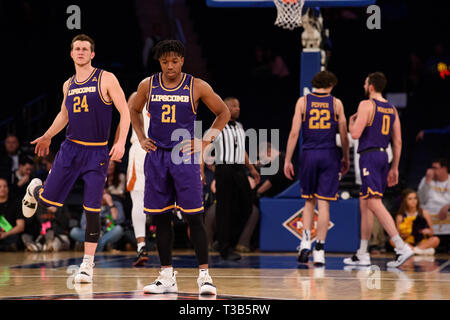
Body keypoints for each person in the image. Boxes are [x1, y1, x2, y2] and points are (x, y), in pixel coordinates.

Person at [21, 34, 130, 283]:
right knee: (49, 203)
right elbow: (63, 114)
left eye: (85, 49)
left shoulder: (106, 78)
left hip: (97, 152)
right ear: (71, 54)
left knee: (92, 208)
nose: (80, 52)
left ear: (92, 54)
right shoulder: (68, 84)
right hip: (70, 149)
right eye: (76, 48)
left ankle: (87, 266)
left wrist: (121, 142)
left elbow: (124, 112)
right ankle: (36, 189)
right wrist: (48, 135)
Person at [130, 40, 230, 295]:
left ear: (182, 60)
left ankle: (205, 277)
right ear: (159, 62)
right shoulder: (147, 85)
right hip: (157, 157)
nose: (170, 66)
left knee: (194, 217)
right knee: (161, 218)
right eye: (165, 62)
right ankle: (166, 277)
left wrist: (205, 140)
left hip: (183, 157)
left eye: (174, 61)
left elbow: (223, 112)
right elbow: (134, 109)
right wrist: (141, 136)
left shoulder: (197, 85)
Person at [343, 72, 413, 268]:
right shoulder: (392, 109)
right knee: (365, 204)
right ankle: (363, 253)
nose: (364, 86)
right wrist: (395, 167)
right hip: (384, 156)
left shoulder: (366, 105)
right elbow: (398, 141)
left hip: (370, 156)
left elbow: (355, 134)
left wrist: (351, 123)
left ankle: (401, 247)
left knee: (373, 203)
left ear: (371, 86)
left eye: (365, 83)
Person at [284, 70, 350, 265]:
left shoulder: (303, 102)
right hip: (329, 154)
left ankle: (305, 243)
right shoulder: (336, 103)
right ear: (331, 85)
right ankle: (320, 249)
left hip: (309, 154)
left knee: (308, 202)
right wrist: (345, 157)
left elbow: (294, 133)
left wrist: (288, 159)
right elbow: (344, 134)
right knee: (324, 204)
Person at [207, 96, 260, 261]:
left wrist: (252, 169)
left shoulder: (239, 126)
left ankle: (225, 240)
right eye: (234, 106)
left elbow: (242, 150)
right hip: (224, 169)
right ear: (226, 107)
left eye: (238, 105)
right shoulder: (218, 125)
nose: (238, 108)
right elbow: (204, 146)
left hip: (239, 170)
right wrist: (207, 168)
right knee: (224, 209)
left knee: (246, 205)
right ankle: (224, 247)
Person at [126, 91, 151, 266]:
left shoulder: (137, 95)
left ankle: (141, 246)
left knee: (138, 200)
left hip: (142, 149)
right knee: (165, 199)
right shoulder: (174, 91)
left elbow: (124, 120)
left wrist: (118, 144)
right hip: (161, 150)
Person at [393, 189, 440, 255]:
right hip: (407, 243)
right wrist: (405, 234)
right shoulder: (400, 216)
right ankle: (421, 251)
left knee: (436, 239)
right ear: (405, 201)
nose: (413, 201)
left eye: (415, 198)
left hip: (422, 241)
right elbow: (398, 235)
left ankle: (413, 251)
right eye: (410, 199)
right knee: (393, 241)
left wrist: (427, 231)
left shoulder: (424, 213)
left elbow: (431, 233)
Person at [417, 158, 450, 236]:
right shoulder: (425, 180)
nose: (432, 171)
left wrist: (448, 206)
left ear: (444, 169)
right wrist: (427, 182)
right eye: (432, 168)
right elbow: (421, 200)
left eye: (435, 168)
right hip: (429, 223)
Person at [0, 178, 24, 251]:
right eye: (0, 186)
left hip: (10, 235)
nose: (2, 189)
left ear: (8, 189)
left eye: (5, 186)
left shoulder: (15, 204)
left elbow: (21, 226)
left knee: (15, 239)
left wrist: (5, 234)